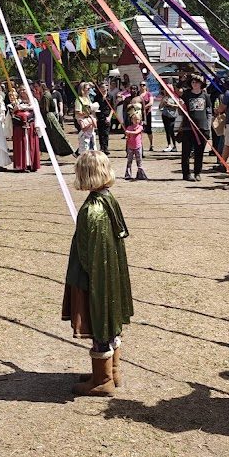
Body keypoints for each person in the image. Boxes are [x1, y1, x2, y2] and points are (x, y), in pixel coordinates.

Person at [62, 151, 133, 397]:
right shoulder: (107, 199)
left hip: (96, 280)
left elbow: (89, 255)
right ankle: (111, 371)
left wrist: (92, 285)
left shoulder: (93, 210)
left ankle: (103, 381)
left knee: (100, 321)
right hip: (108, 275)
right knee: (108, 322)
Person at [180, 74, 212, 181]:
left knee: (199, 152)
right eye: (193, 82)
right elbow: (181, 111)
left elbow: (209, 111)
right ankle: (186, 174)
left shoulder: (205, 96)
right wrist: (180, 105)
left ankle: (197, 172)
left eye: (197, 82)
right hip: (188, 127)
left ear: (201, 84)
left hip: (201, 128)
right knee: (186, 152)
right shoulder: (186, 95)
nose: (194, 84)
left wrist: (207, 125)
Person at [34, 81, 74, 158]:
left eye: (36, 86)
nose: (35, 88)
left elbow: (45, 109)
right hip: (48, 117)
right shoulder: (45, 94)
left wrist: (38, 104)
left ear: (41, 86)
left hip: (48, 117)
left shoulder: (46, 95)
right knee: (50, 136)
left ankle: (62, 152)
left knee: (54, 136)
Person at [10, 85, 41, 172]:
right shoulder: (18, 101)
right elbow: (14, 111)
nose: (23, 91)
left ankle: (31, 164)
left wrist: (37, 126)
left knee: (31, 144)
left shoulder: (33, 100)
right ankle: (21, 165)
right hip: (20, 127)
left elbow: (36, 111)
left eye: (24, 90)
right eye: (21, 90)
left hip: (31, 125)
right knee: (21, 145)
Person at [123, 108, 148, 180]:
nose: (136, 121)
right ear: (132, 120)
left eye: (138, 119)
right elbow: (128, 136)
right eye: (135, 119)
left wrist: (129, 132)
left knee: (139, 161)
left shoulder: (140, 127)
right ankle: (128, 174)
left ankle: (140, 174)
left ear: (140, 120)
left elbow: (136, 132)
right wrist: (127, 135)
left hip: (138, 146)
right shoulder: (129, 127)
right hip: (130, 147)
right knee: (129, 161)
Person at [73, 82, 96, 154]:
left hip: (89, 120)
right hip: (82, 121)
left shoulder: (87, 98)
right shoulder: (79, 99)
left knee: (91, 140)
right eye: (88, 88)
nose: (90, 90)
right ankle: (81, 155)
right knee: (84, 140)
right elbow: (77, 112)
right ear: (83, 89)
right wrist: (87, 113)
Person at [159, 83, 180, 152]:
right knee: (167, 131)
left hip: (172, 115)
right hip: (165, 115)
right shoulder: (165, 97)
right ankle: (169, 145)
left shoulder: (174, 97)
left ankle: (174, 146)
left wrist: (170, 104)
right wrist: (163, 103)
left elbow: (178, 106)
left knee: (171, 130)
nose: (166, 90)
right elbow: (160, 107)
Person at [95, 81, 113, 155]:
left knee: (106, 133)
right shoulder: (97, 96)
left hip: (107, 116)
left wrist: (109, 117)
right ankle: (102, 147)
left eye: (104, 86)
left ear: (107, 87)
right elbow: (95, 107)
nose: (103, 88)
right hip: (100, 116)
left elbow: (112, 108)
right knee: (100, 133)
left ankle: (106, 148)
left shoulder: (110, 96)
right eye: (101, 87)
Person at [137, 82, 154, 152]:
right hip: (138, 114)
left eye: (143, 85)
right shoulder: (138, 94)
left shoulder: (149, 94)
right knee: (139, 129)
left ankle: (151, 144)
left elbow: (151, 103)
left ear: (146, 86)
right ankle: (139, 145)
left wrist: (143, 107)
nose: (142, 86)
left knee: (148, 130)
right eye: (140, 85)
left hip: (147, 114)